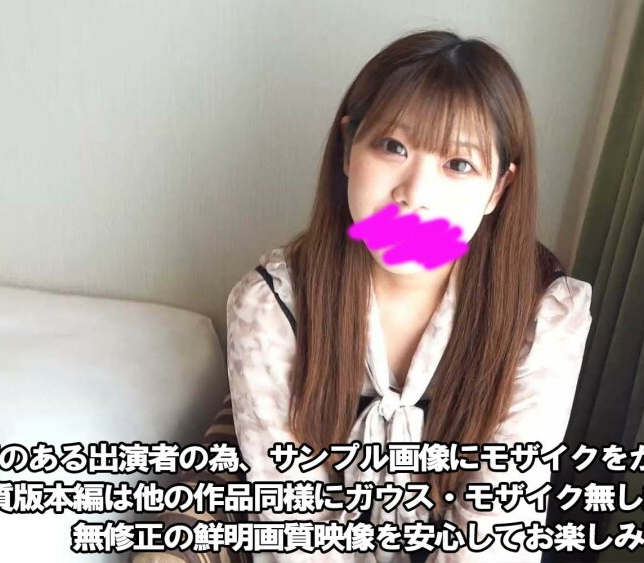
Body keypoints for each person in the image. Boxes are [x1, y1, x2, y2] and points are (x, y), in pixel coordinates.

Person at [226, 29, 593, 563]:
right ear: (348, 148)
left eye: (458, 164)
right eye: (392, 147)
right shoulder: (271, 305)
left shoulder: (543, 316)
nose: (415, 194)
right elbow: (290, 522)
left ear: (498, 189)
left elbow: (496, 534)